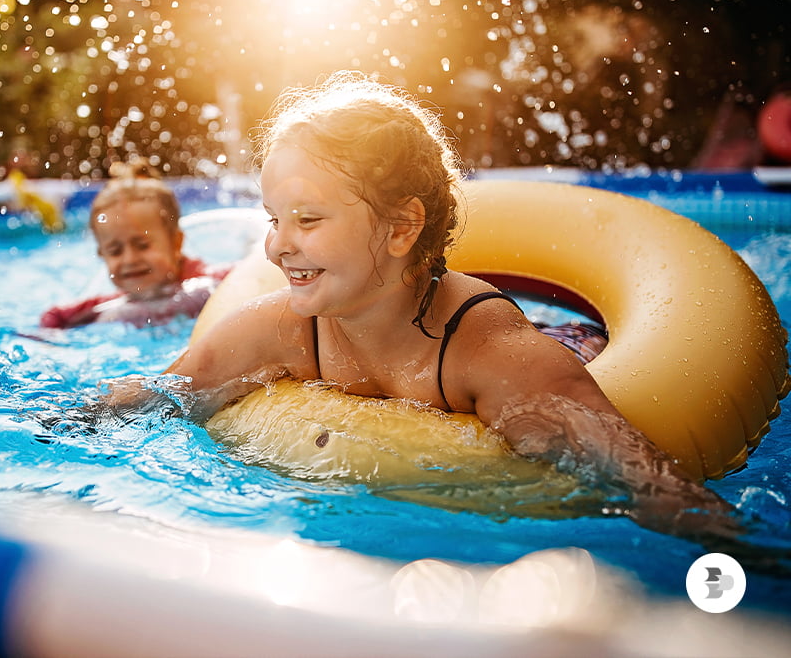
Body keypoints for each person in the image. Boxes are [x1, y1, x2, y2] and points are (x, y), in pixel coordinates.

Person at [104, 72, 739, 540]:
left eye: (308, 219)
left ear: (404, 227)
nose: (277, 245)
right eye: (274, 219)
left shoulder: (490, 352)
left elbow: (647, 485)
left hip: (568, 340)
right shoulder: (281, 330)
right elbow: (156, 396)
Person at [40, 159, 230, 329]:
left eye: (143, 245)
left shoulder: (208, 281)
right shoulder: (118, 301)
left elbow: (246, 274)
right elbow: (54, 316)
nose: (130, 259)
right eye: (115, 251)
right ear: (102, 255)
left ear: (176, 243)